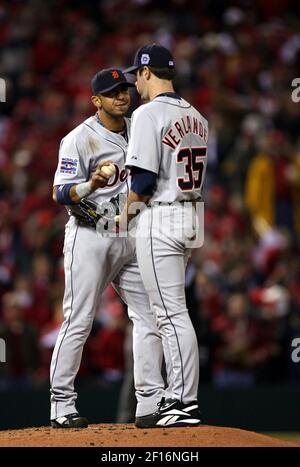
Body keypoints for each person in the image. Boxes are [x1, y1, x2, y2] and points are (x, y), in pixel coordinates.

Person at [50, 68, 166, 428]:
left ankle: (151, 402)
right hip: (91, 236)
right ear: (95, 100)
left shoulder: (140, 128)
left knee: (149, 315)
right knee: (79, 319)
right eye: (112, 92)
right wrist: (89, 184)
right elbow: (60, 193)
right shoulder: (79, 138)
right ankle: (61, 405)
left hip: (131, 234)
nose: (121, 95)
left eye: (124, 89)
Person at [118, 43, 209, 428]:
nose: (133, 83)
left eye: (135, 75)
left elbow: (142, 181)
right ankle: (179, 397)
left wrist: (121, 220)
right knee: (173, 312)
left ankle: (182, 401)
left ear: (146, 72)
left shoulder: (147, 114)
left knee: (169, 314)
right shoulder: (197, 116)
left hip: (162, 217)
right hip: (191, 216)